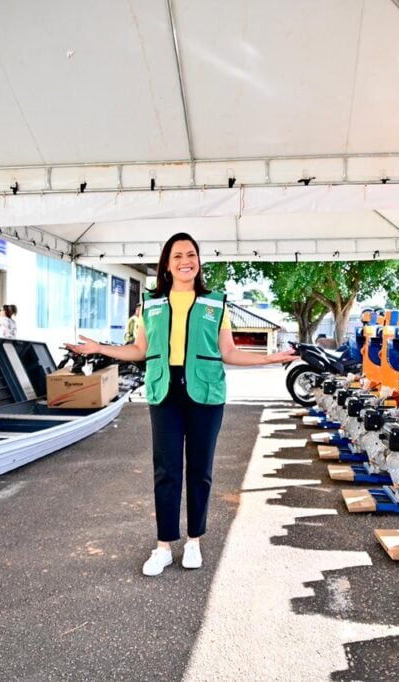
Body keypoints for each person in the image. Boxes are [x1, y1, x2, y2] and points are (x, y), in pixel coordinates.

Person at [65, 233, 296, 576]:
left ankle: (194, 542)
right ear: (167, 264)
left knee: (200, 471)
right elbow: (139, 351)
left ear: (198, 261)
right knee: (166, 471)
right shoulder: (152, 302)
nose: (185, 260)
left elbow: (228, 352)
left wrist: (272, 358)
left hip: (206, 394)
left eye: (191, 254)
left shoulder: (216, 304)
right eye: (178, 256)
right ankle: (163, 547)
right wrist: (100, 348)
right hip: (164, 392)